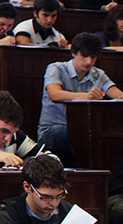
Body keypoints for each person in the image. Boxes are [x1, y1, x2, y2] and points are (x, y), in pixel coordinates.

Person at [36, 33, 121, 165]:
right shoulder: (56, 68)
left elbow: (118, 95)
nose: (88, 62)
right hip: (52, 131)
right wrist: (86, 97)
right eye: (84, 56)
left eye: (93, 57)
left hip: (85, 130)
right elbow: (55, 94)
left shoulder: (98, 74)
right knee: (78, 136)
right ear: (74, 53)